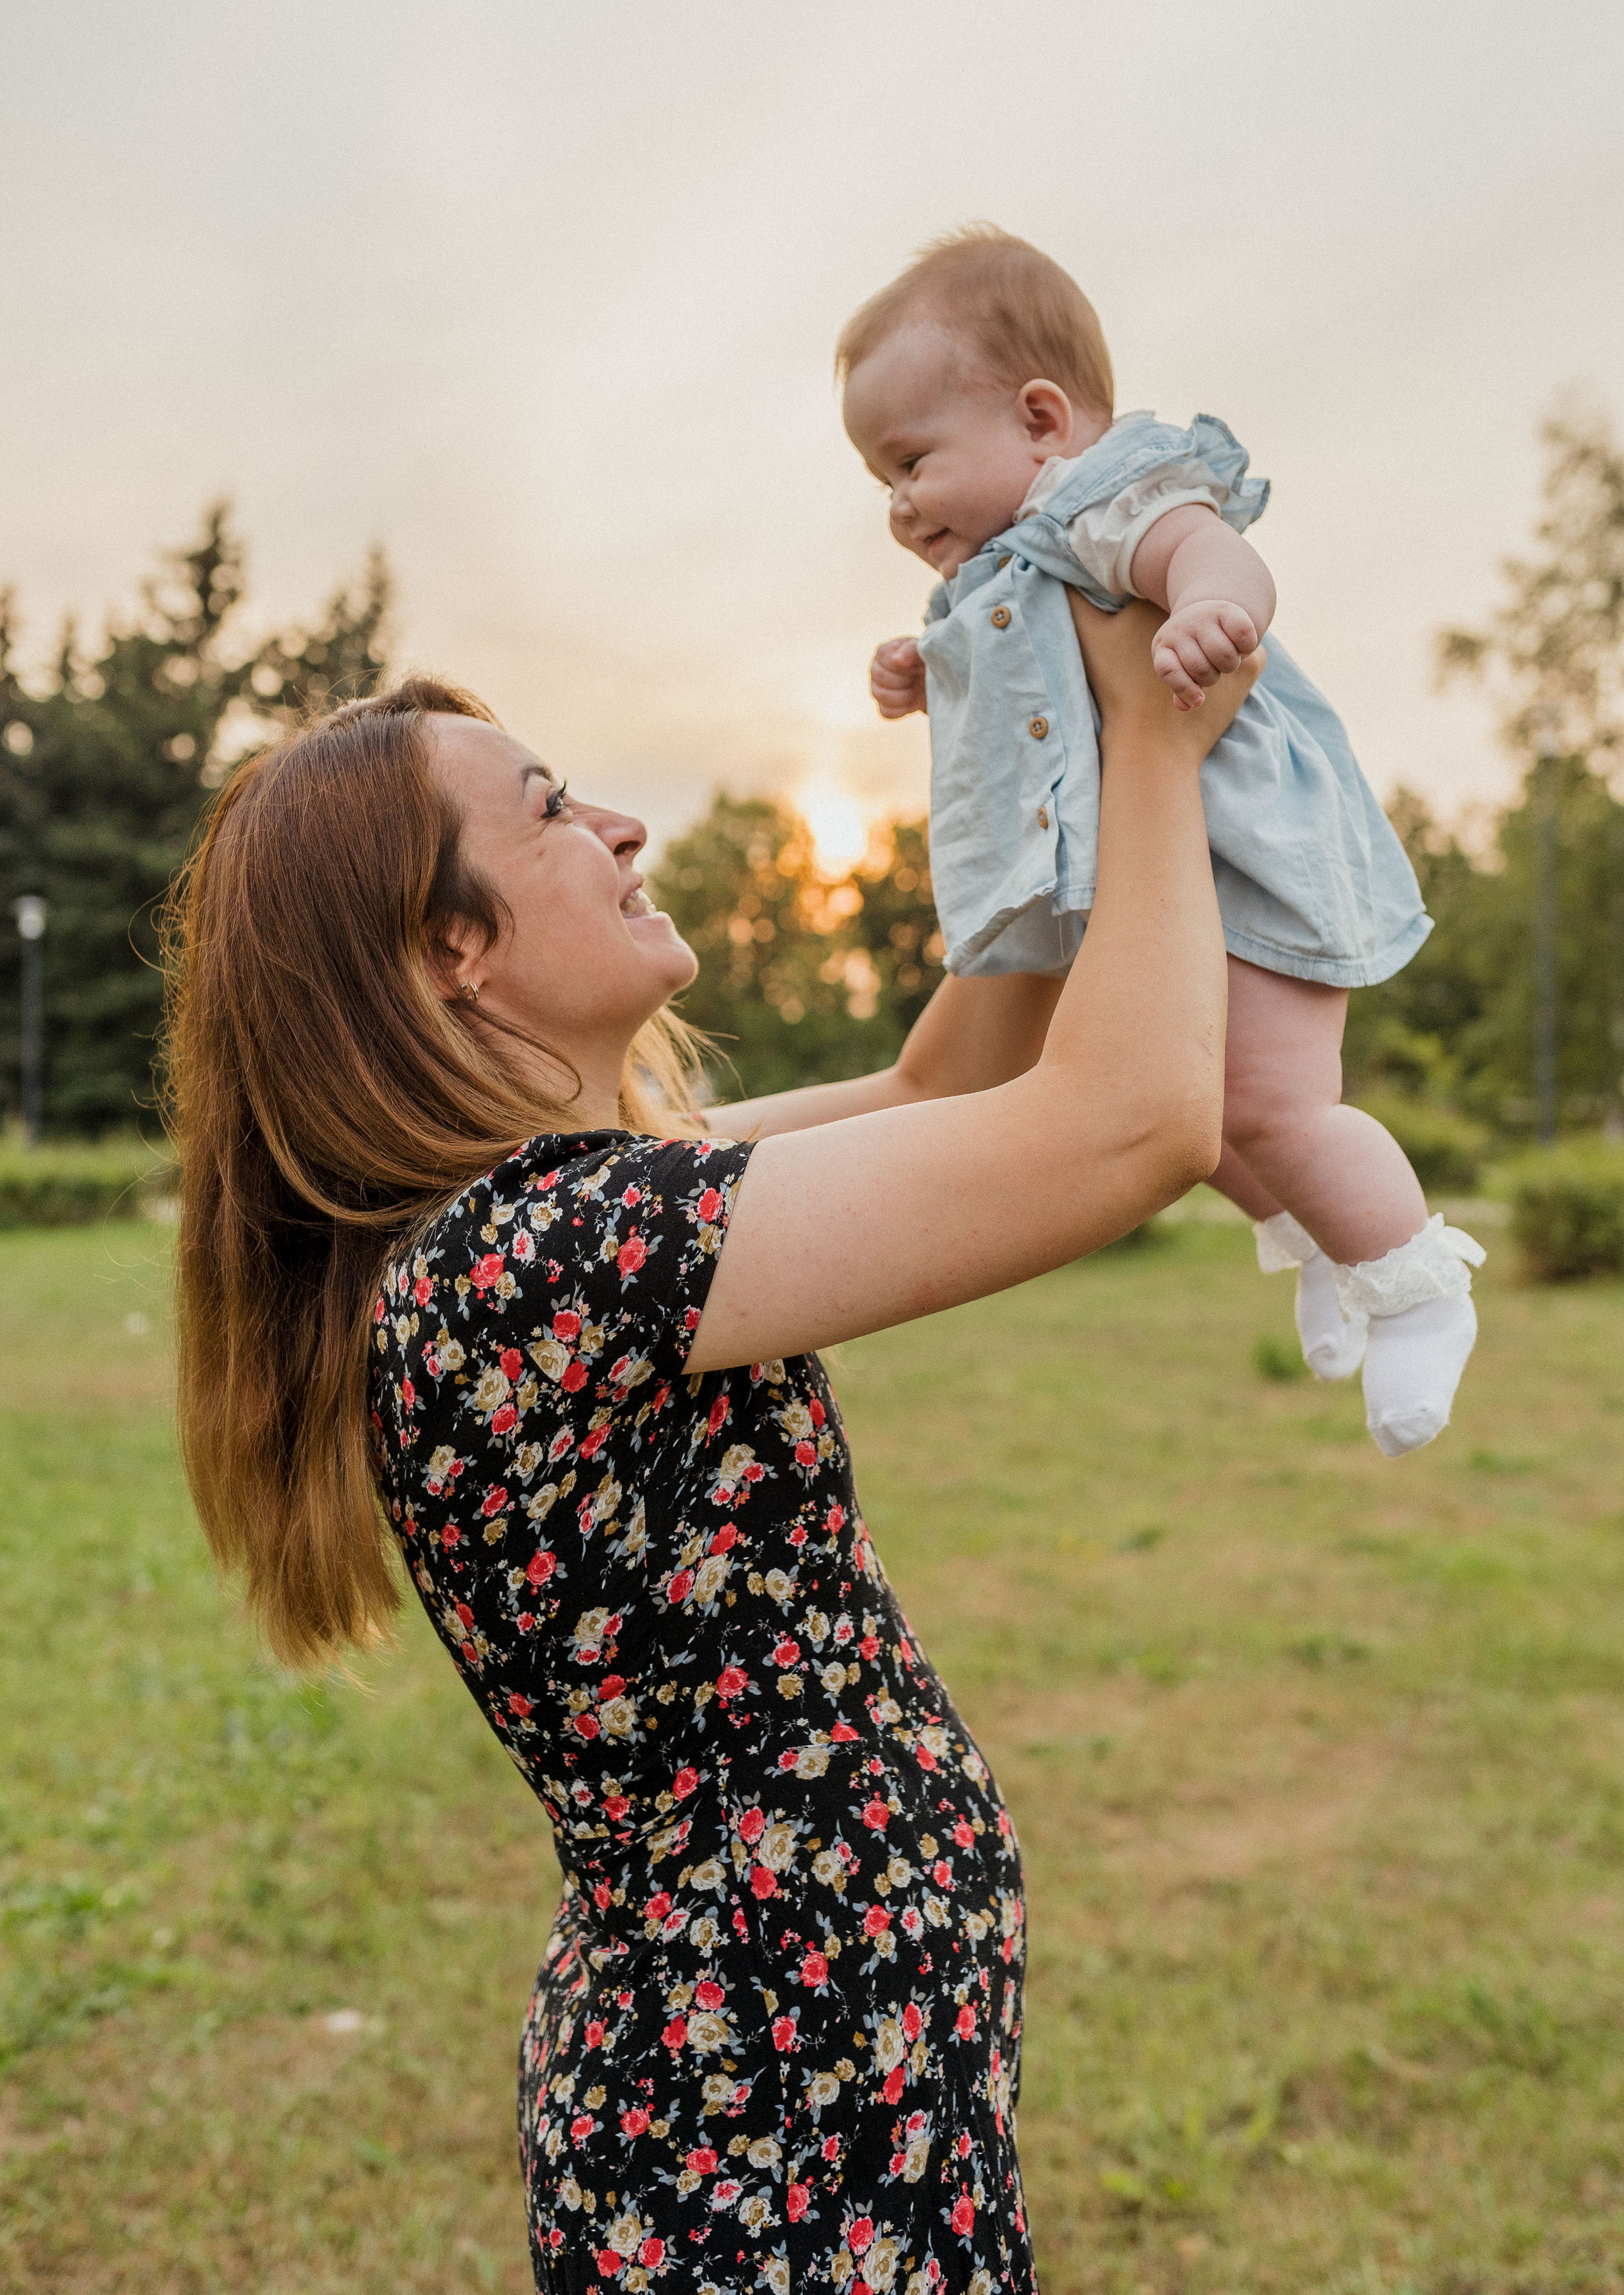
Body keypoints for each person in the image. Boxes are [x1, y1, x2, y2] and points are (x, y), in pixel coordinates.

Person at [169, 598, 1252, 2295]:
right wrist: (1156, 742)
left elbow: (950, 1079)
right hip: (761, 2140)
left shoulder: (550, 1223)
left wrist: (1016, 719)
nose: (618, 824)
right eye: (546, 805)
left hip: (799, 2103)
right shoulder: (540, 1253)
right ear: (449, 948)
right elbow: (1129, 1123)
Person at [841, 223, 1485, 1458]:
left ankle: (1418, 1284)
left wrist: (1208, 608)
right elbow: (1036, 685)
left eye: (912, 461)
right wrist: (933, 668)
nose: (899, 503)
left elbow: (1215, 550)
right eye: (882, 481)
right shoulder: (997, 572)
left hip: (1249, 851)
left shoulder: (1101, 496)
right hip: (1161, 877)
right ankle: (1321, 1243)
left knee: (1281, 1104)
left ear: (1041, 419)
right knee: (1193, 1119)